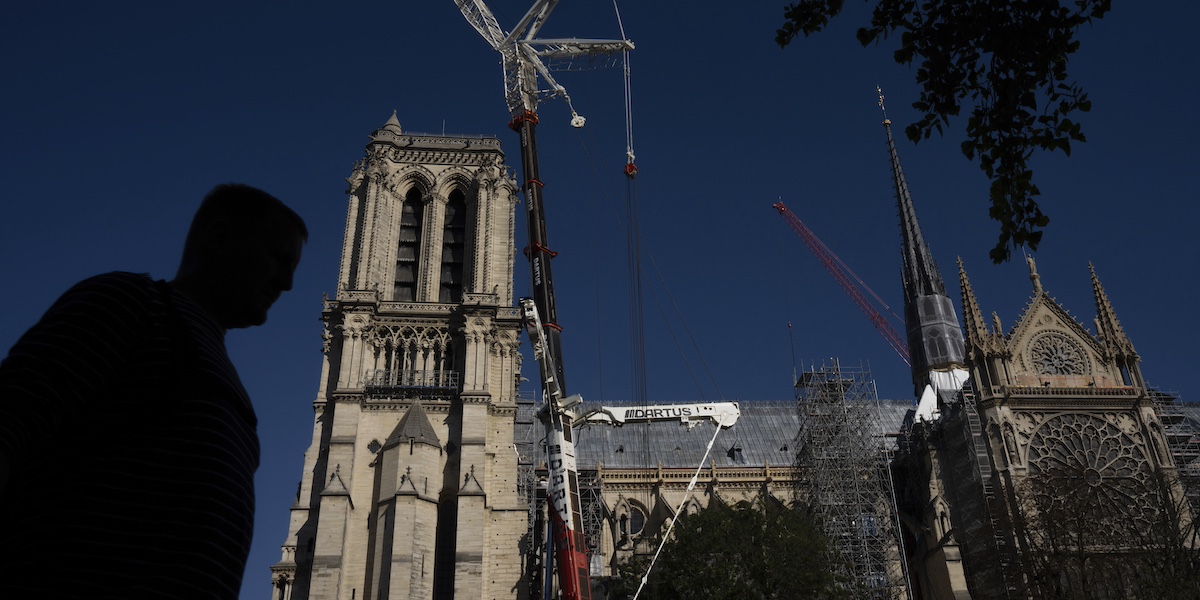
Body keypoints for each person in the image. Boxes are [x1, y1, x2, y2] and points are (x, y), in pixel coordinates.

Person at [0, 183, 306, 598]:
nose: (287, 282)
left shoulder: (225, 379)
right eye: (278, 258)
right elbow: (11, 419)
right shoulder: (131, 304)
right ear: (220, 239)